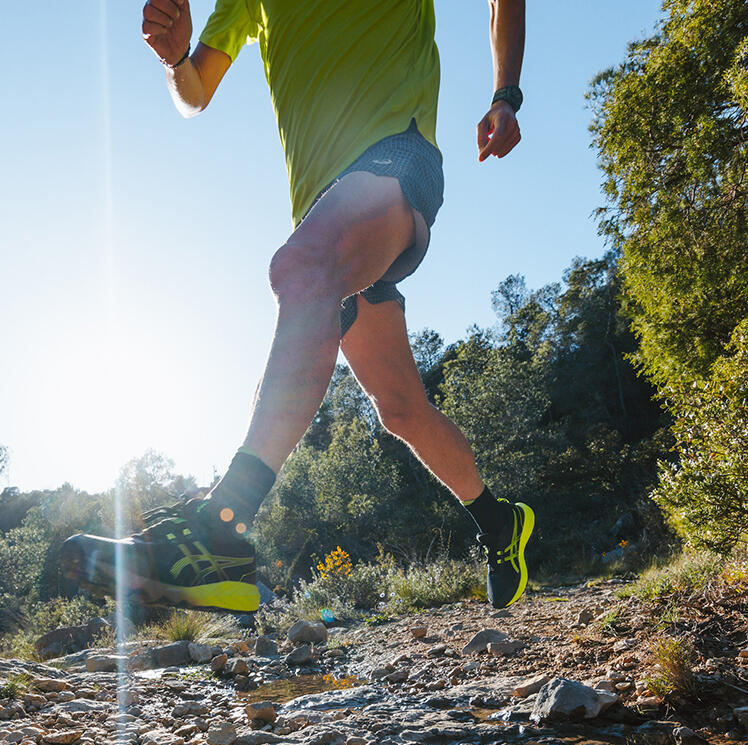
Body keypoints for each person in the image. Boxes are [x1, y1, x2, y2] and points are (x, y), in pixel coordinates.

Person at [61, 0, 533, 613]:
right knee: (400, 409)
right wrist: (176, 58)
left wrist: (506, 94)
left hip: (397, 156)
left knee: (301, 268)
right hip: (325, 207)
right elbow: (195, 90)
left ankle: (221, 527)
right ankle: (500, 523)